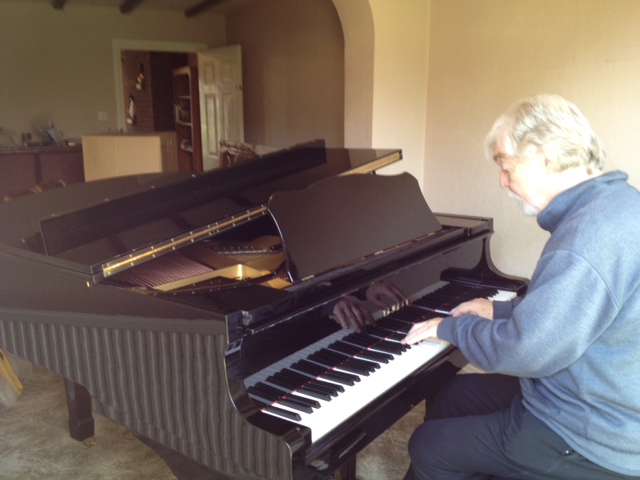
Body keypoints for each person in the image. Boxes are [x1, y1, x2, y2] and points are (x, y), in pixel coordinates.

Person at [401, 94, 640, 479]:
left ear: (546, 157)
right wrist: (498, 310)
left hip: (591, 434)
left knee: (427, 445)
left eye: (506, 166)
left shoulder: (587, 238)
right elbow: (572, 310)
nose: (502, 181)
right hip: (586, 394)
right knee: (453, 395)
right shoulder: (616, 204)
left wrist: (451, 327)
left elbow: (524, 350)